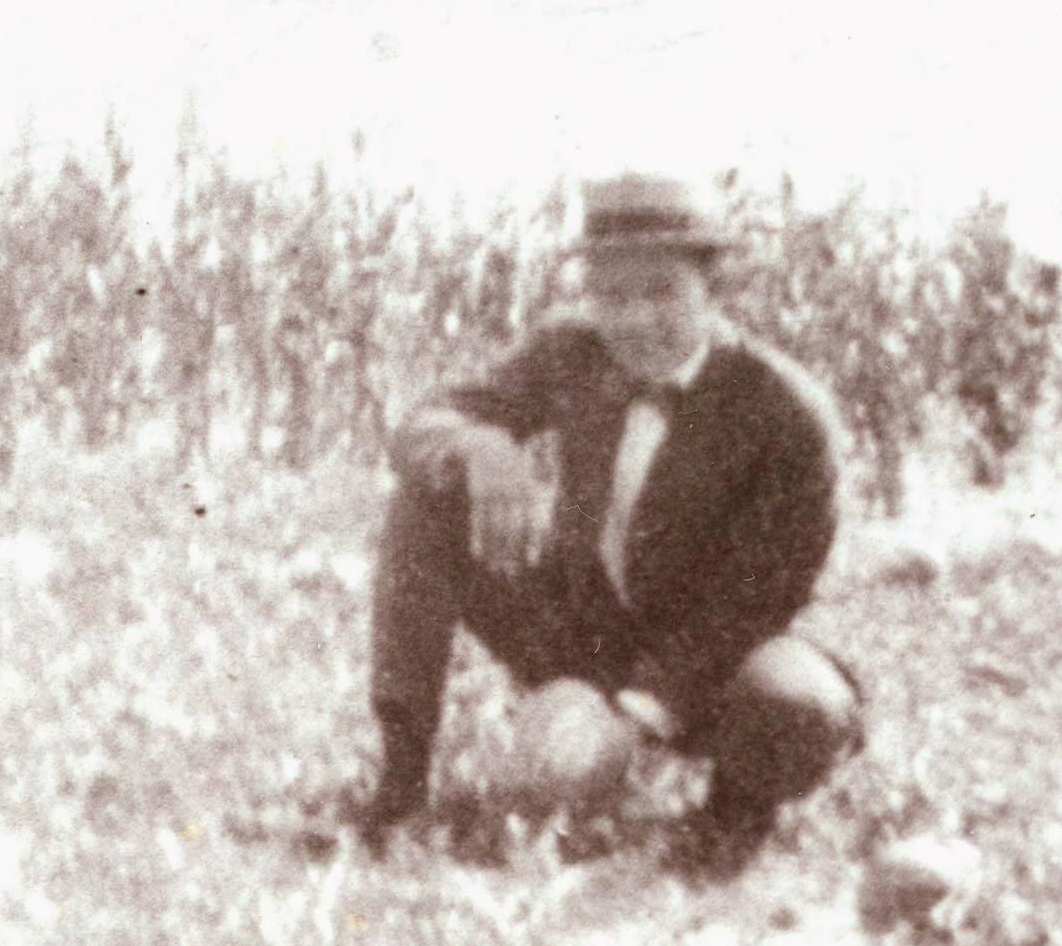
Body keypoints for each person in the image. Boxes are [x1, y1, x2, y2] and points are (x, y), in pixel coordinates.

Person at [357, 171, 865, 878]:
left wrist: (633, 716)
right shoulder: (571, 350)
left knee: (800, 701)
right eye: (611, 295)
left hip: (710, 659)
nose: (633, 318)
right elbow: (423, 424)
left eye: (661, 291)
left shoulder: (786, 414)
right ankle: (401, 782)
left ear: (713, 289)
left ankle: (728, 821)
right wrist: (483, 444)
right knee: (425, 501)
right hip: (582, 631)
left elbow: (754, 604)